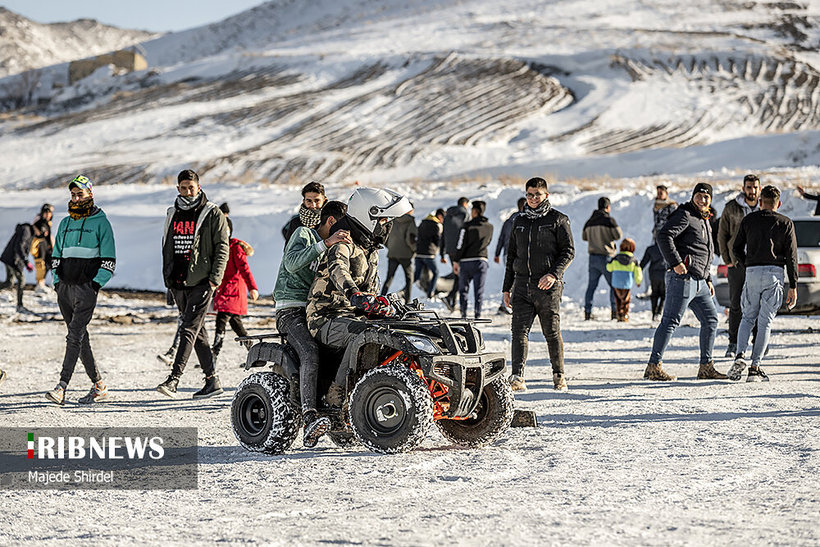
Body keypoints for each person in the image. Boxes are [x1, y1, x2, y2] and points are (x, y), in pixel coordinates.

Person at [307, 187, 412, 408]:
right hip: (325, 317)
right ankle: (337, 393)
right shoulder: (343, 244)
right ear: (367, 216)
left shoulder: (370, 249)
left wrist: (383, 305)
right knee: (363, 334)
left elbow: (371, 290)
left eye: (387, 220)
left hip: (353, 317)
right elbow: (339, 270)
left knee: (393, 331)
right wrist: (353, 294)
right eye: (383, 220)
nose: (387, 225)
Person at [274, 201, 349, 447]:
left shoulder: (333, 248)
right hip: (291, 309)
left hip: (315, 310)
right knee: (309, 351)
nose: (343, 232)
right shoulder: (303, 234)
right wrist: (325, 243)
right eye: (341, 226)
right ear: (331, 222)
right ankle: (309, 416)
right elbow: (292, 262)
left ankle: (337, 412)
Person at [156, 169, 229, 399]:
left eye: (192, 187)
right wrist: (168, 279)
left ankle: (174, 379)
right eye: (183, 187)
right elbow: (167, 245)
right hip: (178, 281)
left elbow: (222, 247)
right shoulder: (172, 212)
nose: (188, 191)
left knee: (188, 327)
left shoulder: (212, 213)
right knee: (197, 333)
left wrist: (214, 279)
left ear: (199, 187)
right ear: (178, 189)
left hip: (201, 281)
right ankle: (212, 381)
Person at [45, 175, 116, 405]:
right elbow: (55, 257)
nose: (76, 199)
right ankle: (99, 385)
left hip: (86, 290)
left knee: (74, 335)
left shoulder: (101, 223)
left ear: (90, 195)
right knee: (80, 337)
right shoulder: (65, 223)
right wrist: (57, 282)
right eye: (73, 195)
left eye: (80, 194)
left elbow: (109, 260)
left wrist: (94, 285)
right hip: (64, 289)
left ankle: (61, 386)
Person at [645, 182, 726, 381]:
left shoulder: (704, 218)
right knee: (671, 321)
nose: (702, 199)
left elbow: (705, 251)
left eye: (706, 197)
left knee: (711, 320)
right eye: (699, 195)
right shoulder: (685, 214)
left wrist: (707, 278)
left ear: (710, 200)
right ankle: (654, 366)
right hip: (683, 278)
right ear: (693, 196)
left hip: (700, 281)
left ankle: (706, 367)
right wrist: (676, 263)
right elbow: (664, 236)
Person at [503, 177, 574, 392]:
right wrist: (507, 287)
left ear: (546, 195)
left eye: (537, 195)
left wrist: (553, 274)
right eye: (529, 195)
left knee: (551, 332)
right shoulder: (519, 221)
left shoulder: (558, 219)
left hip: (547, 288)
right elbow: (511, 255)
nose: (533, 199)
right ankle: (517, 376)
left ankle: (559, 375)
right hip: (522, 286)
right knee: (518, 332)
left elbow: (568, 252)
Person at [728, 185, 798, 382]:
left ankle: (740, 354)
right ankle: (755, 367)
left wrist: (745, 264)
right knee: (765, 321)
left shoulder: (749, 220)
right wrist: (793, 284)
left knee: (747, 318)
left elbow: (736, 247)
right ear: (779, 204)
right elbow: (792, 256)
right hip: (774, 273)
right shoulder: (786, 222)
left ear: (760, 202)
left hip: (752, 271)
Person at [717, 173, 761, 358]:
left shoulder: (764, 207)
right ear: (743, 188)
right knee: (736, 304)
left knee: (758, 304)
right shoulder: (731, 208)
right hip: (736, 263)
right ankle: (733, 342)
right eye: (749, 187)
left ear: (759, 189)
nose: (752, 191)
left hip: (758, 262)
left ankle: (758, 341)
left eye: (755, 187)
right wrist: (727, 259)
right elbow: (722, 235)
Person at [211, 218, 259, 366]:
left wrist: (252, 287)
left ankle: (213, 357)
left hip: (234, 292)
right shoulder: (217, 247)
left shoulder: (235, 247)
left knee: (221, 320)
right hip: (224, 290)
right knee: (236, 325)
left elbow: (245, 269)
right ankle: (255, 355)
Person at [582, 196, 622, 320]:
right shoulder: (609, 220)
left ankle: (588, 312)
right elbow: (618, 235)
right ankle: (614, 312)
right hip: (607, 258)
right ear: (608, 207)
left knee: (591, 286)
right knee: (613, 285)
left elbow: (584, 237)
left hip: (593, 258)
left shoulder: (589, 221)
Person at [453, 200, 493, 319]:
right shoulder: (490, 227)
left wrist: (456, 260)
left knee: (463, 290)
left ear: (475, 211)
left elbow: (461, 244)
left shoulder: (467, 226)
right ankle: (477, 314)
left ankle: (464, 314)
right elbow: (488, 242)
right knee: (479, 290)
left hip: (466, 262)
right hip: (481, 261)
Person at [494, 197, 526, 314]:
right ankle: (512, 304)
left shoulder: (508, 220)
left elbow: (501, 238)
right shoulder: (525, 219)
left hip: (506, 253)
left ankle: (505, 304)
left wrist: (497, 253)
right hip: (519, 253)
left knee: (510, 279)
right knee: (519, 279)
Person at [380, 208, 417, 304]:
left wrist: (391, 247)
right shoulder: (410, 220)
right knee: (409, 278)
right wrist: (414, 250)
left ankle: (381, 298)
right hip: (405, 254)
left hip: (393, 253)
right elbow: (411, 238)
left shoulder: (393, 219)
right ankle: (408, 301)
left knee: (389, 278)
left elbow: (385, 236)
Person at [440, 197, 470, 310]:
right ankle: (451, 297)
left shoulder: (447, 216)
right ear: (465, 204)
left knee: (457, 274)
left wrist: (442, 253)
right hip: (460, 250)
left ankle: (453, 302)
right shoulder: (465, 214)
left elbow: (443, 235)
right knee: (460, 275)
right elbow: (466, 232)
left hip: (450, 250)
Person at [0, 220, 34, 312]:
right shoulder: (27, 231)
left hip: (10, 258)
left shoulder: (28, 231)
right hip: (13, 259)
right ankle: (20, 305)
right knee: (21, 280)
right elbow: (19, 246)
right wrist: (26, 261)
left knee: (9, 282)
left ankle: (20, 305)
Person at [606, 238, 643, 322]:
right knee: (626, 300)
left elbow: (609, 268)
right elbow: (638, 272)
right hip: (627, 283)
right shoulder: (634, 260)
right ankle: (624, 315)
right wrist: (638, 281)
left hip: (616, 282)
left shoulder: (615, 258)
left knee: (618, 299)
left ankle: (619, 314)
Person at [281, 182, 328, 247]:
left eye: (317, 201)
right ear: (304, 201)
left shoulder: (331, 220)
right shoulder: (296, 222)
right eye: (309, 201)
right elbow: (289, 251)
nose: (313, 205)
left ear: (324, 200)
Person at [414, 208, 445, 299]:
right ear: (439, 216)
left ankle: (406, 290)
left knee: (416, 275)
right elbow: (437, 240)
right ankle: (430, 293)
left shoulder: (422, 223)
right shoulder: (437, 225)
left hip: (418, 253)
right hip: (429, 254)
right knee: (436, 273)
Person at [640, 242, 667, 321]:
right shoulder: (666, 247)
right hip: (663, 273)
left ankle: (653, 313)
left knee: (654, 293)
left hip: (653, 274)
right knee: (663, 294)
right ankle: (659, 312)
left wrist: (638, 270)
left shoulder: (650, 249)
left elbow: (644, 262)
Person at [31, 203, 55, 291]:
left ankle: (53, 283)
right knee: (41, 266)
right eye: (46, 213)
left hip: (47, 248)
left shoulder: (48, 223)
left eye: (50, 213)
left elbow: (49, 236)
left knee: (52, 265)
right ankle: (39, 285)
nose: (48, 215)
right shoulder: (38, 222)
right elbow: (36, 234)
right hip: (40, 248)